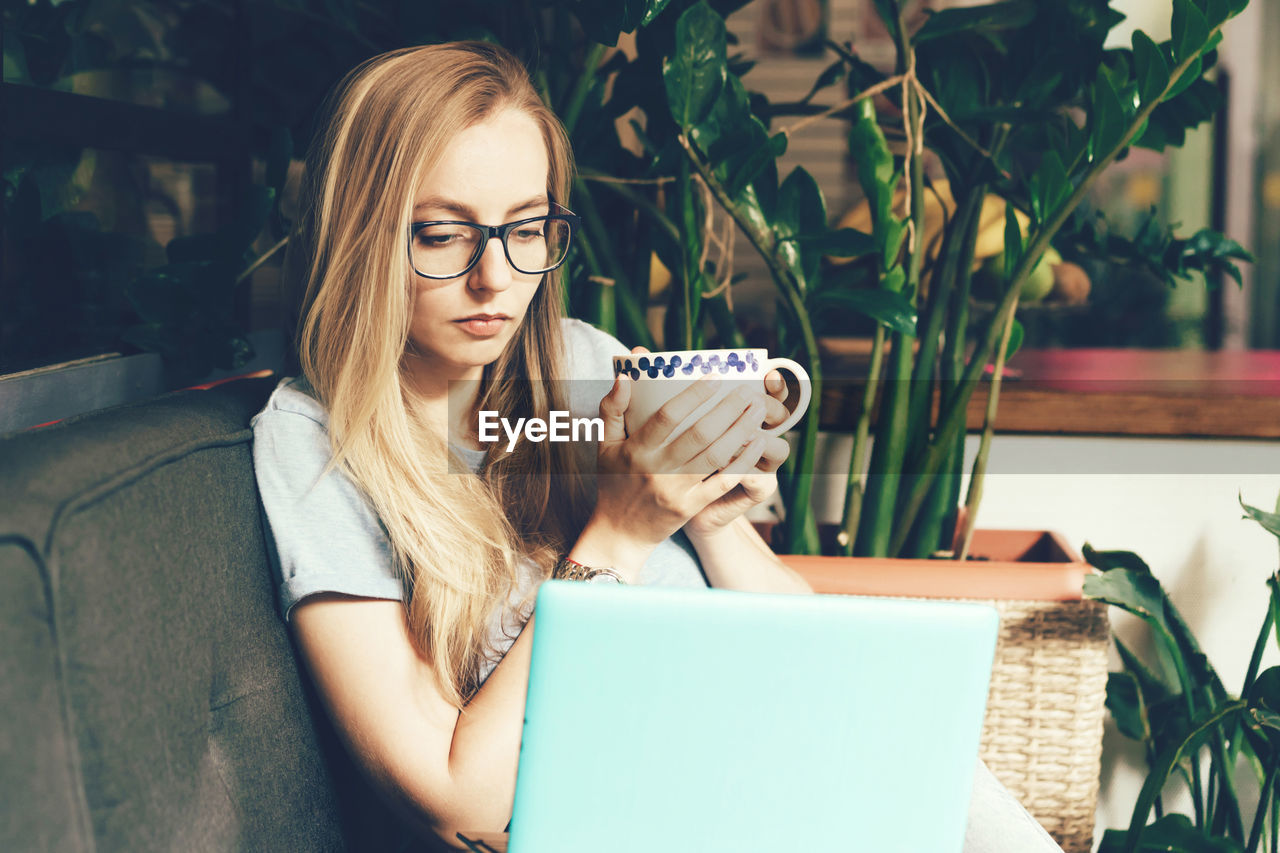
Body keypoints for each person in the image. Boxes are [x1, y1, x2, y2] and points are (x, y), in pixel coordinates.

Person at [252, 41, 1062, 852]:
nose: (495, 278)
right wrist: (622, 530)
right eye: (440, 234)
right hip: (667, 805)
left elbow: (814, 660)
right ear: (361, 235)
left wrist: (707, 512)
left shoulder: (578, 367)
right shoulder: (317, 440)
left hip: (783, 746)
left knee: (940, 773)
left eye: (528, 229)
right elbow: (456, 798)